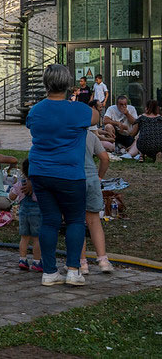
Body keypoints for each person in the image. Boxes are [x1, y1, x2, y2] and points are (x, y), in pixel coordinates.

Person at [26, 64, 99, 287]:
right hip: (70, 173)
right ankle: (73, 270)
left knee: (49, 220)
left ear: (46, 84)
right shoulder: (78, 110)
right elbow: (95, 116)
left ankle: (49, 272)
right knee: (76, 220)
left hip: (40, 172)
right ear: (68, 84)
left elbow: (33, 126)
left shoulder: (35, 111)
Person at [80, 114, 114, 274]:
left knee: (76, 222)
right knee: (94, 220)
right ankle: (103, 260)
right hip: (92, 179)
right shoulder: (90, 136)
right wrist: (99, 176)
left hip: (75, 179)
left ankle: (81, 263)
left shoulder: (66, 136)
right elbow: (105, 158)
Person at [13, 159, 42, 272]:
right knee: (36, 239)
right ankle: (36, 261)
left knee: (24, 237)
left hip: (23, 214)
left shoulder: (20, 183)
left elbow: (11, 196)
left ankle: (22, 259)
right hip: (37, 214)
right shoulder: (38, 184)